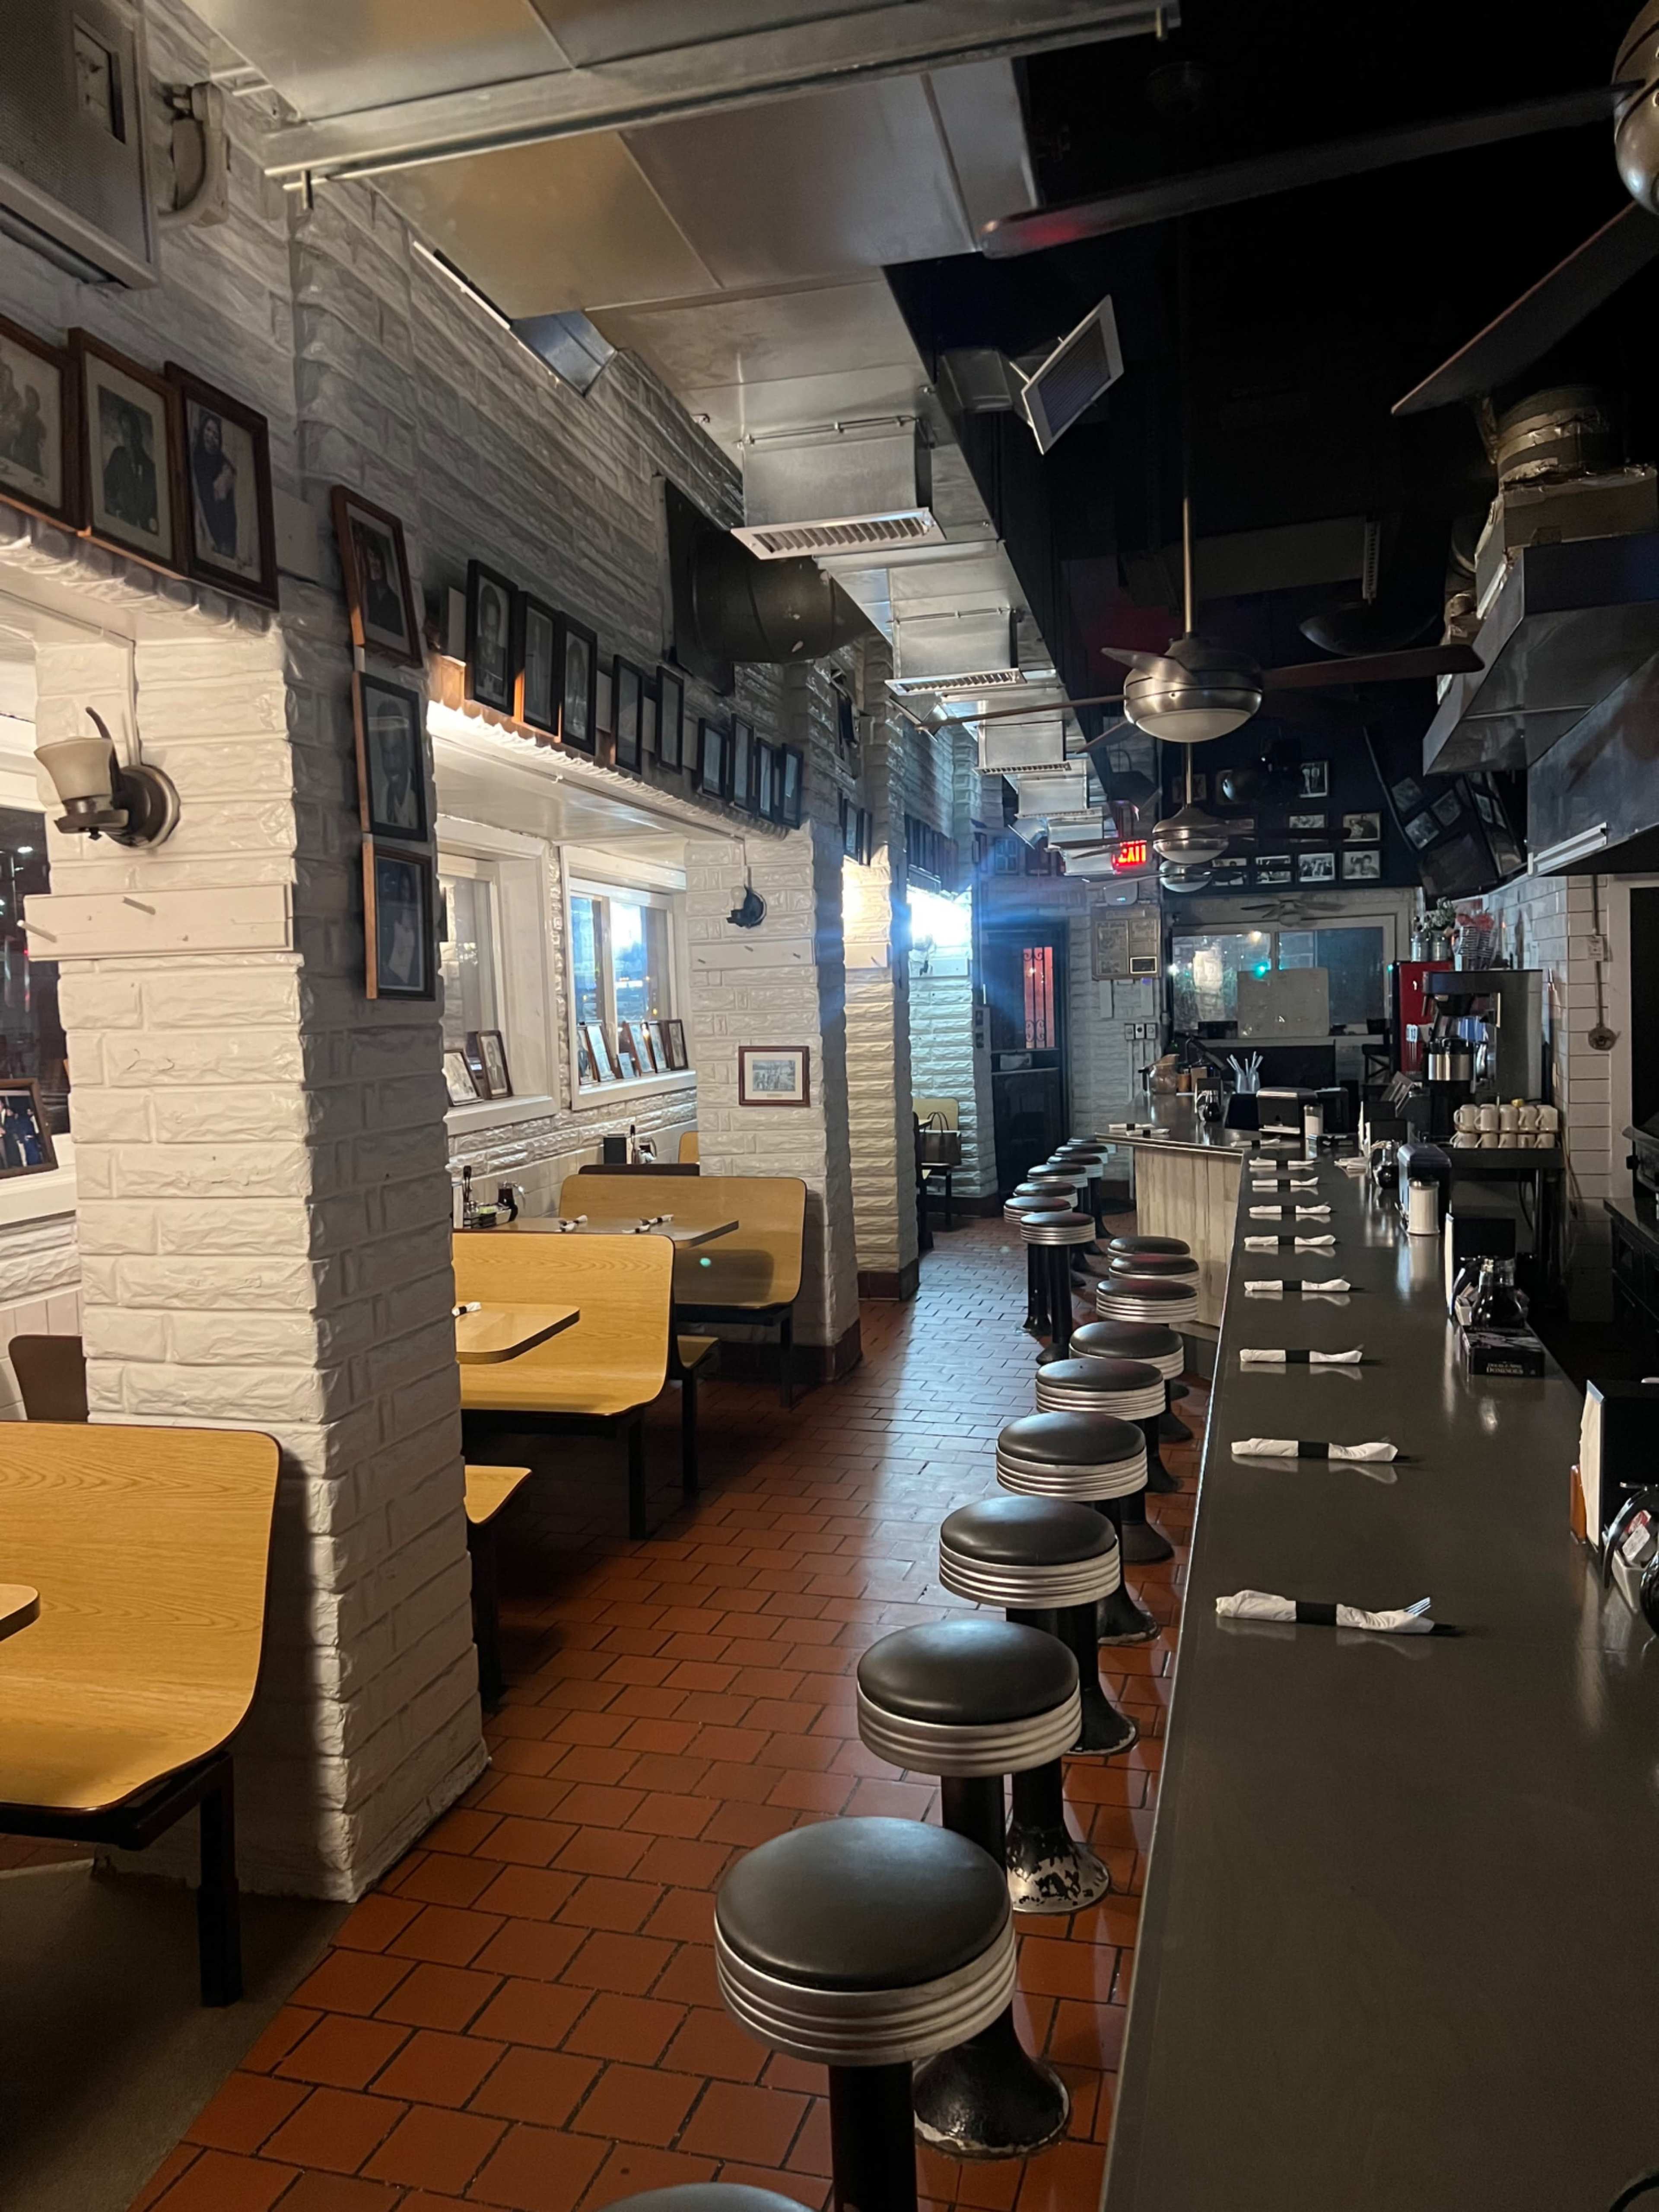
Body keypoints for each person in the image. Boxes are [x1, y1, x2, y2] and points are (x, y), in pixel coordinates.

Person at [102, 397, 158, 536]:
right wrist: (119, 514)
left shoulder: (151, 469)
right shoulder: (119, 457)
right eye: (126, 435)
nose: (131, 441)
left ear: (140, 435)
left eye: (133, 435)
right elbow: (106, 492)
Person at [190, 407, 238, 558]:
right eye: (208, 430)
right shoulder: (195, 458)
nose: (210, 436)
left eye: (216, 435)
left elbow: (223, 499)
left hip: (221, 534)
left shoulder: (223, 466)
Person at [355, 526, 405, 640]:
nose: (374, 563)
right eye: (370, 558)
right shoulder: (364, 597)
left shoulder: (395, 604)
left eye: (376, 557)